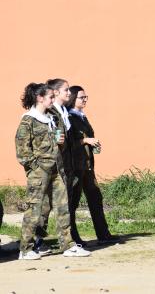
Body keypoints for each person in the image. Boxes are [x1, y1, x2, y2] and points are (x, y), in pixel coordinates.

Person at [15, 83, 91, 260]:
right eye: (50, 97)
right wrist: (35, 167)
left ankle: (68, 245)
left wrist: (60, 141)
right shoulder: (28, 120)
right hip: (39, 172)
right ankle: (25, 248)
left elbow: (59, 143)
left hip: (58, 169)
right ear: (40, 98)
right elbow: (22, 150)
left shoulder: (51, 117)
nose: (52, 99)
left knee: (63, 206)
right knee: (34, 209)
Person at [67, 85, 120, 245]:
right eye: (81, 97)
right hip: (76, 167)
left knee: (96, 198)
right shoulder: (69, 117)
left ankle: (103, 234)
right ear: (73, 99)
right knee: (73, 202)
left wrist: (93, 144)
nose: (85, 100)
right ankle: (73, 237)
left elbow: (88, 137)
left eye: (85, 97)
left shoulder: (81, 116)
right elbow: (69, 143)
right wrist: (85, 140)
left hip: (88, 165)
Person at [34, 78, 76, 253]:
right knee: (45, 205)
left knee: (61, 203)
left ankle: (69, 241)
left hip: (62, 164)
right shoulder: (50, 112)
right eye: (66, 90)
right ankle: (36, 240)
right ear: (56, 92)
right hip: (49, 164)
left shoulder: (63, 111)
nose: (69, 93)